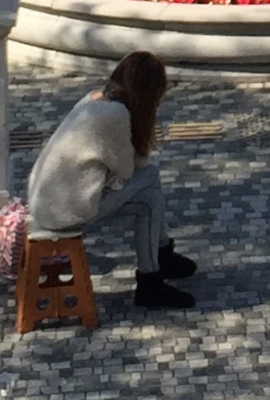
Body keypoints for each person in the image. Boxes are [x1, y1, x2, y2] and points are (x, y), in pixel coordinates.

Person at [27, 50, 198, 309]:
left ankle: (158, 262)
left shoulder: (93, 99)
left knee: (147, 198)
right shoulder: (116, 116)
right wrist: (145, 124)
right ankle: (152, 277)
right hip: (65, 210)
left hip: (45, 202)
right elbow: (130, 169)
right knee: (149, 182)